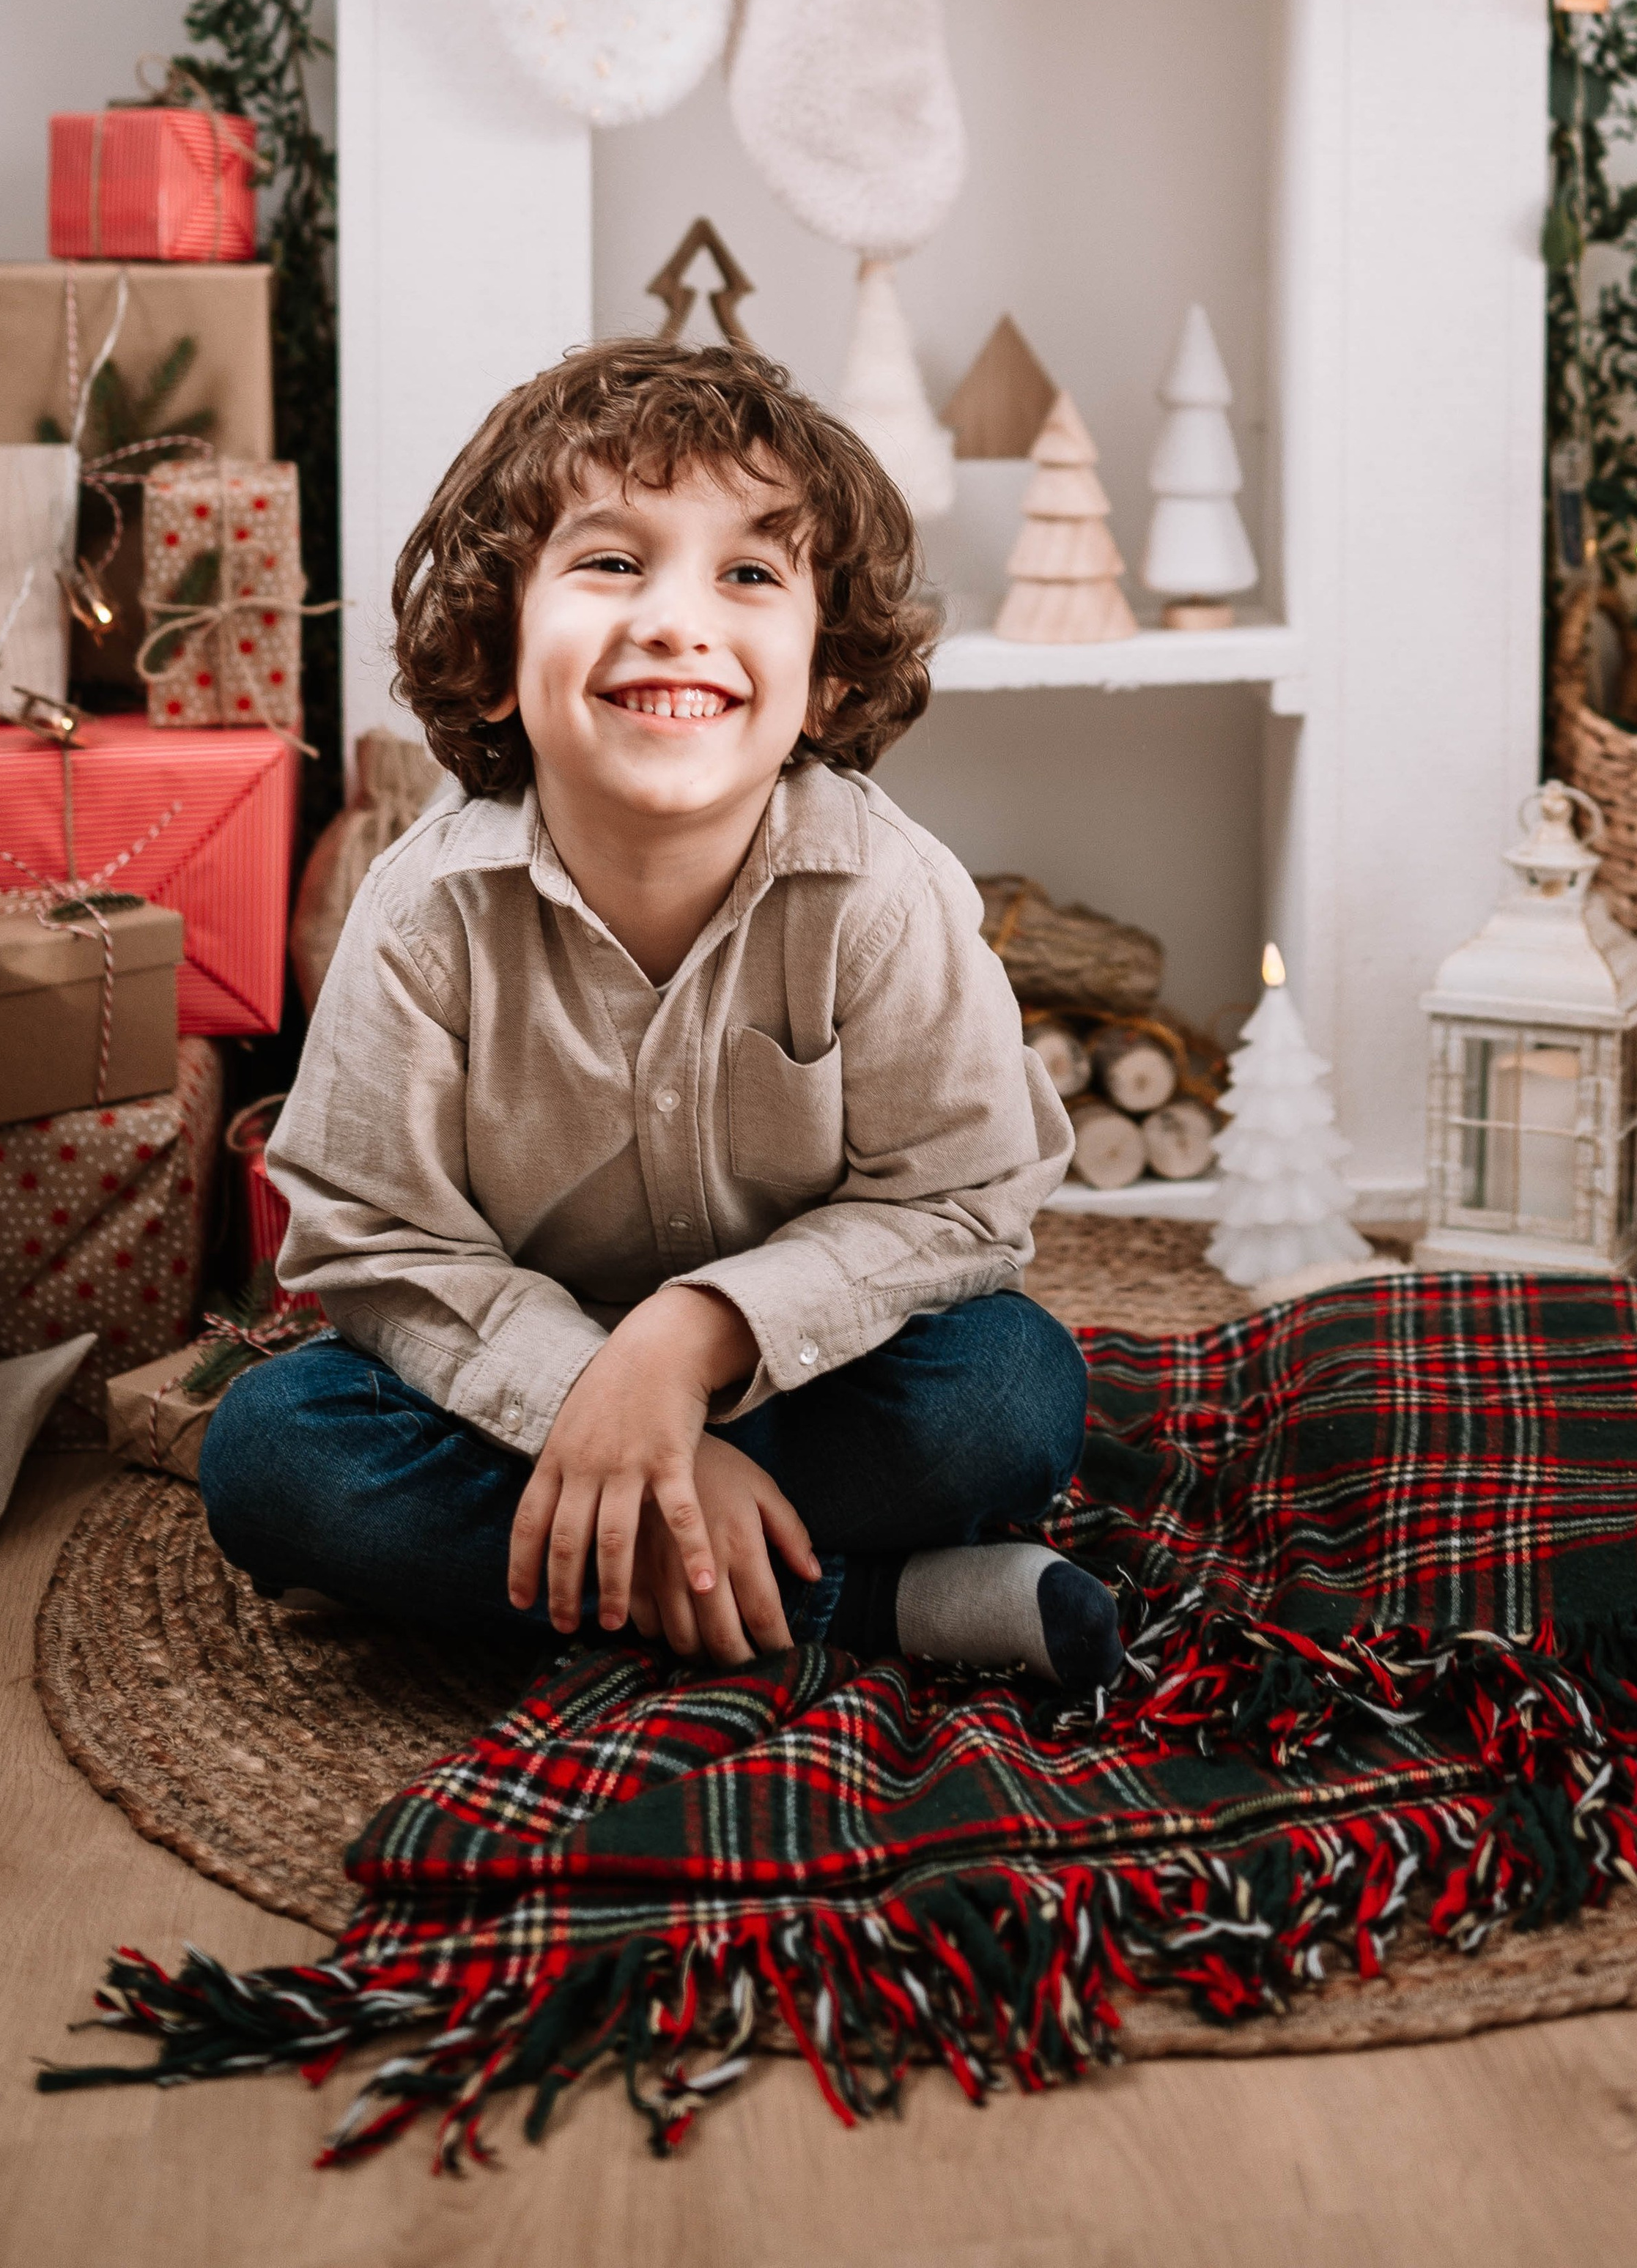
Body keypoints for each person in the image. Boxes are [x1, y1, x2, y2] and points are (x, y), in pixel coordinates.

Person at [199, 338, 1123, 1688]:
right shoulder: (422, 913)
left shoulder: (883, 893)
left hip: (802, 1371)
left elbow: (960, 1198)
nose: (678, 619)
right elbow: (375, 1239)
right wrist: (607, 1402)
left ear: (829, 678)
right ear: (497, 650)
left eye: (749, 574)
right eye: (612, 562)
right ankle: (860, 1603)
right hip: (514, 1390)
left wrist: (690, 1347)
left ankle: (637, 1557)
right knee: (276, 1455)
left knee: (1007, 1394)